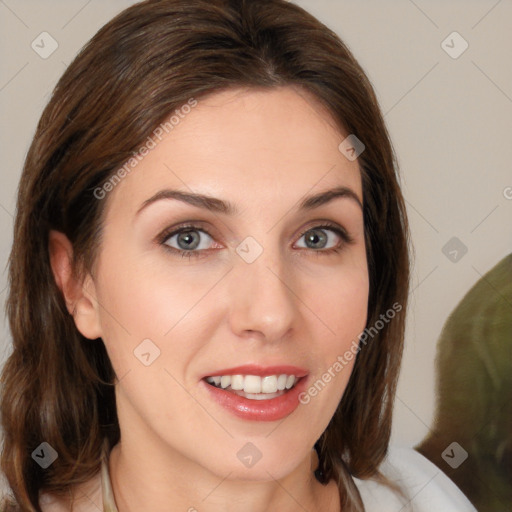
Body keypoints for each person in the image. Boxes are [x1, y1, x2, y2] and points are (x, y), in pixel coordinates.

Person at [0, 1, 476, 510]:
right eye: (189, 238)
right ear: (77, 283)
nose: (271, 314)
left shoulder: (431, 499)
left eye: (317, 237)